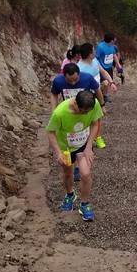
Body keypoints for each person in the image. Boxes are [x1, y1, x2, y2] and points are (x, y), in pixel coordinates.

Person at [45, 89, 103, 222]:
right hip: (66, 147)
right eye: (83, 111)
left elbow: (95, 123)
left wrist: (89, 147)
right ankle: (70, 194)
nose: (85, 114)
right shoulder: (60, 112)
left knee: (85, 173)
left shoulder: (93, 104)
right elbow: (50, 132)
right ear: (76, 104)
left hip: (83, 145)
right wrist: (58, 152)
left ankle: (84, 204)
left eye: (88, 112)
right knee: (67, 173)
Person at [78, 43, 115, 148]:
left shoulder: (95, 61)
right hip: (85, 96)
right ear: (90, 54)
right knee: (85, 118)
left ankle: (98, 138)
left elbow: (103, 72)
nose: (95, 52)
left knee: (98, 118)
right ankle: (84, 140)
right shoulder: (79, 68)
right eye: (93, 50)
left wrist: (111, 82)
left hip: (97, 93)